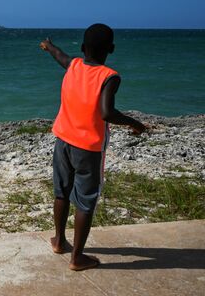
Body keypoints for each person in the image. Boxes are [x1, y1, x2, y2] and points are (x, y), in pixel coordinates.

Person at [40, 23, 146, 271]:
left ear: (82, 48)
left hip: (62, 141)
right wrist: (135, 123)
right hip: (88, 149)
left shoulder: (74, 65)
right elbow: (107, 113)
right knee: (85, 201)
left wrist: (48, 46)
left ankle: (59, 241)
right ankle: (77, 258)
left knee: (61, 192)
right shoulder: (109, 76)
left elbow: (59, 56)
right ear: (111, 49)